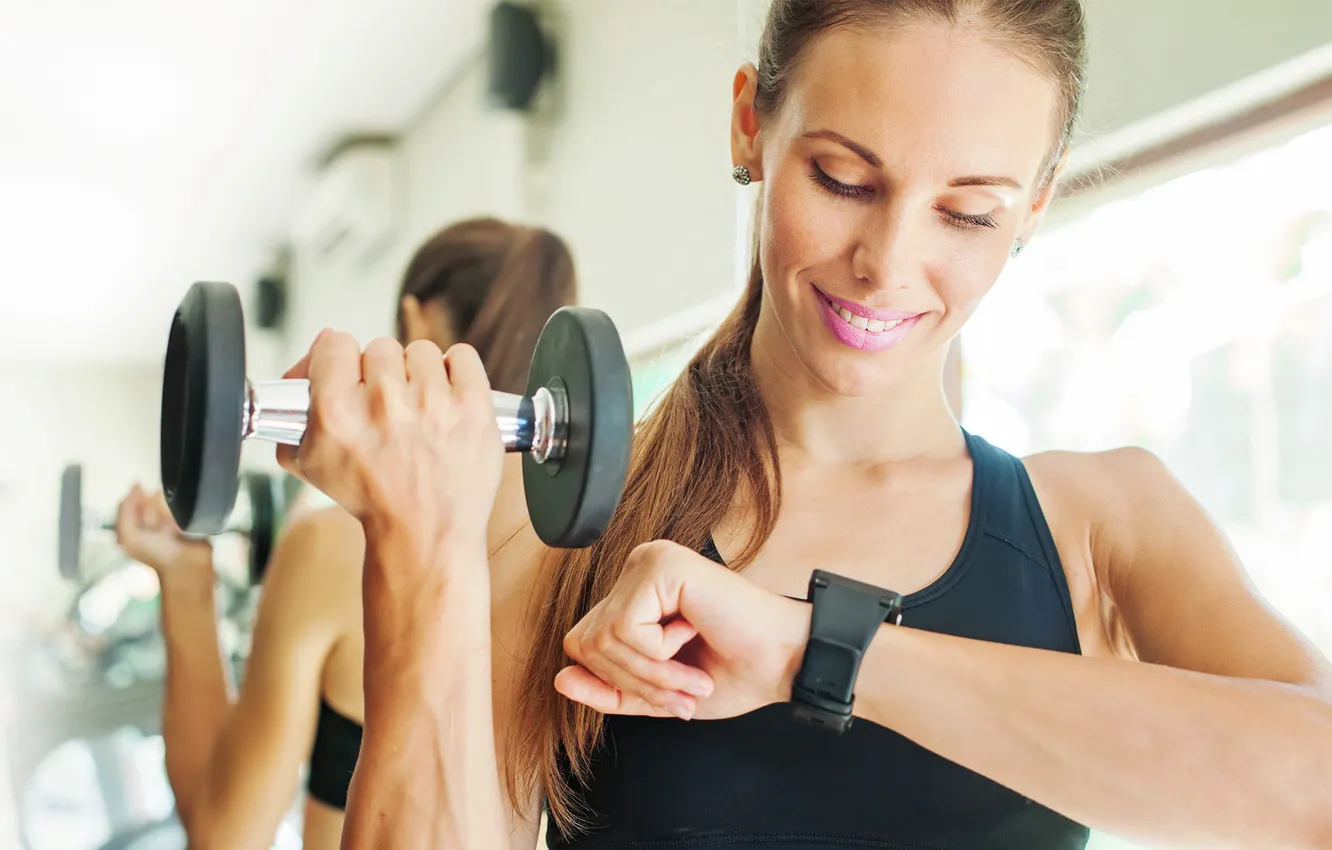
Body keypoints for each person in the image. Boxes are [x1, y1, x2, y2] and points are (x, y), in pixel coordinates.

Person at [282, 2, 1332, 848]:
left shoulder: (1103, 523)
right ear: (751, 123)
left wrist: (814, 653)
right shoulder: (560, 521)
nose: (886, 261)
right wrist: (420, 552)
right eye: (843, 177)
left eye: (968, 212)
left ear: (1037, 206)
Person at [113, 217, 579, 850]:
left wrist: (184, 579)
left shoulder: (335, 547)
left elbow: (223, 833)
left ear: (415, 324)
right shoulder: (600, 567)